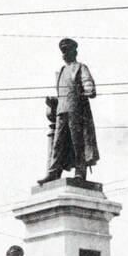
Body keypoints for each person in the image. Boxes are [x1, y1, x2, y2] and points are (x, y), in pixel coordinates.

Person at [38, 38, 98, 184]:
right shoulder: (61, 71)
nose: (64, 54)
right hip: (61, 110)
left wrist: (89, 89)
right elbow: (62, 92)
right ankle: (54, 172)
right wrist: (54, 101)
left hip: (75, 110)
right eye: (63, 52)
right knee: (58, 142)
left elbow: (87, 82)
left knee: (78, 142)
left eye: (67, 51)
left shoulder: (80, 67)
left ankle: (80, 171)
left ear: (74, 52)